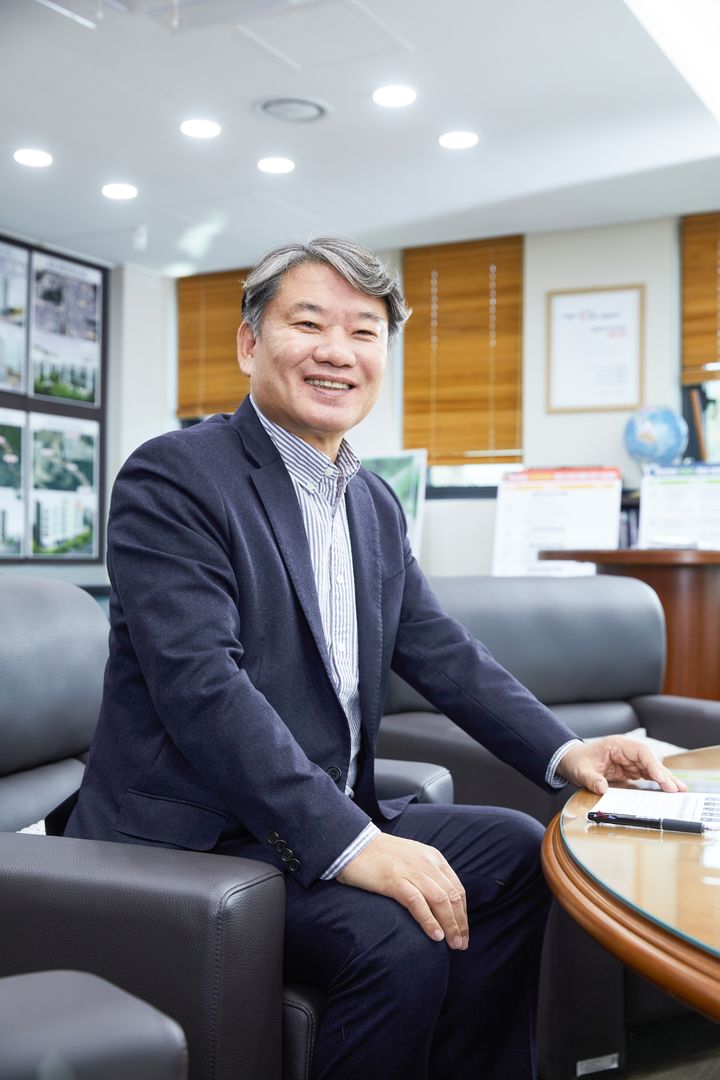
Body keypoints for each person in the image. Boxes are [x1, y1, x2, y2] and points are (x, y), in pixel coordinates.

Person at [58, 236, 684, 1080]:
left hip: (316, 814)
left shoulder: (373, 502)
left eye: (364, 332)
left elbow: (445, 653)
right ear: (250, 343)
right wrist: (355, 844)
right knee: (395, 936)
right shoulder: (175, 478)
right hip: (197, 838)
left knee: (516, 853)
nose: (337, 352)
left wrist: (569, 752)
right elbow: (204, 687)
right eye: (308, 323)